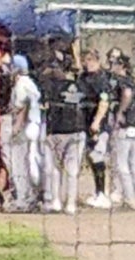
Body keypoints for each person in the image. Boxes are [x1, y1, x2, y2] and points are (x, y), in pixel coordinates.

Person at [41, 58, 95, 215]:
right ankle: (70, 204)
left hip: (56, 132)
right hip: (78, 131)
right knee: (72, 170)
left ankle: (56, 201)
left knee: (55, 169)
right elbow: (91, 107)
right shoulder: (84, 86)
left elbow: (44, 106)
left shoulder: (51, 86)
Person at [7, 56, 43, 211]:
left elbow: (23, 105)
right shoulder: (30, 83)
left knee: (19, 163)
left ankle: (23, 199)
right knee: (33, 160)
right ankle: (33, 196)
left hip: (26, 126)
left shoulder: (21, 84)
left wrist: (17, 126)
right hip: (36, 125)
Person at [80, 49, 115, 210]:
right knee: (91, 157)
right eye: (85, 60)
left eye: (90, 60)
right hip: (84, 123)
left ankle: (102, 193)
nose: (87, 63)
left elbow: (104, 101)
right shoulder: (83, 78)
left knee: (97, 157)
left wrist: (97, 122)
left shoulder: (101, 78)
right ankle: (97, 192)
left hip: (99, 126)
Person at [113, 55, 135, 210]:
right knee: (132, 163)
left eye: (115, 64)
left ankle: (130, 197)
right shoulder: (132, 80)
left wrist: (120, 112)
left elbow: (127, 95)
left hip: (125, 125)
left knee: (122, 164)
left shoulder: (123, 82)